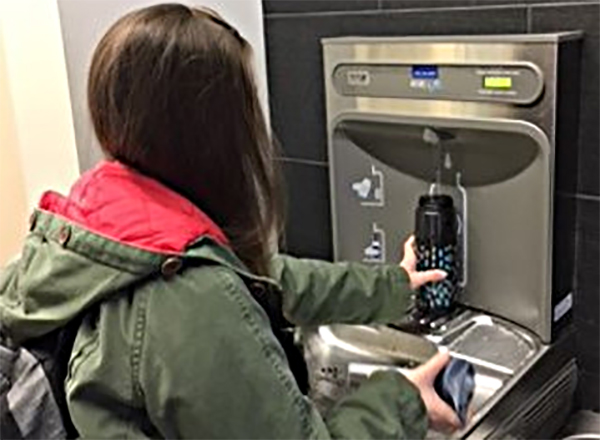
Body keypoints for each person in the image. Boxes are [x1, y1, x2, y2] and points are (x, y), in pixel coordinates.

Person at [0, 3, 460, 438]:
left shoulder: (88, 233)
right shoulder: (191, 300)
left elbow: (266, 278)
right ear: (219, 136)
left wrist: (394, 285)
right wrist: (403, 399)